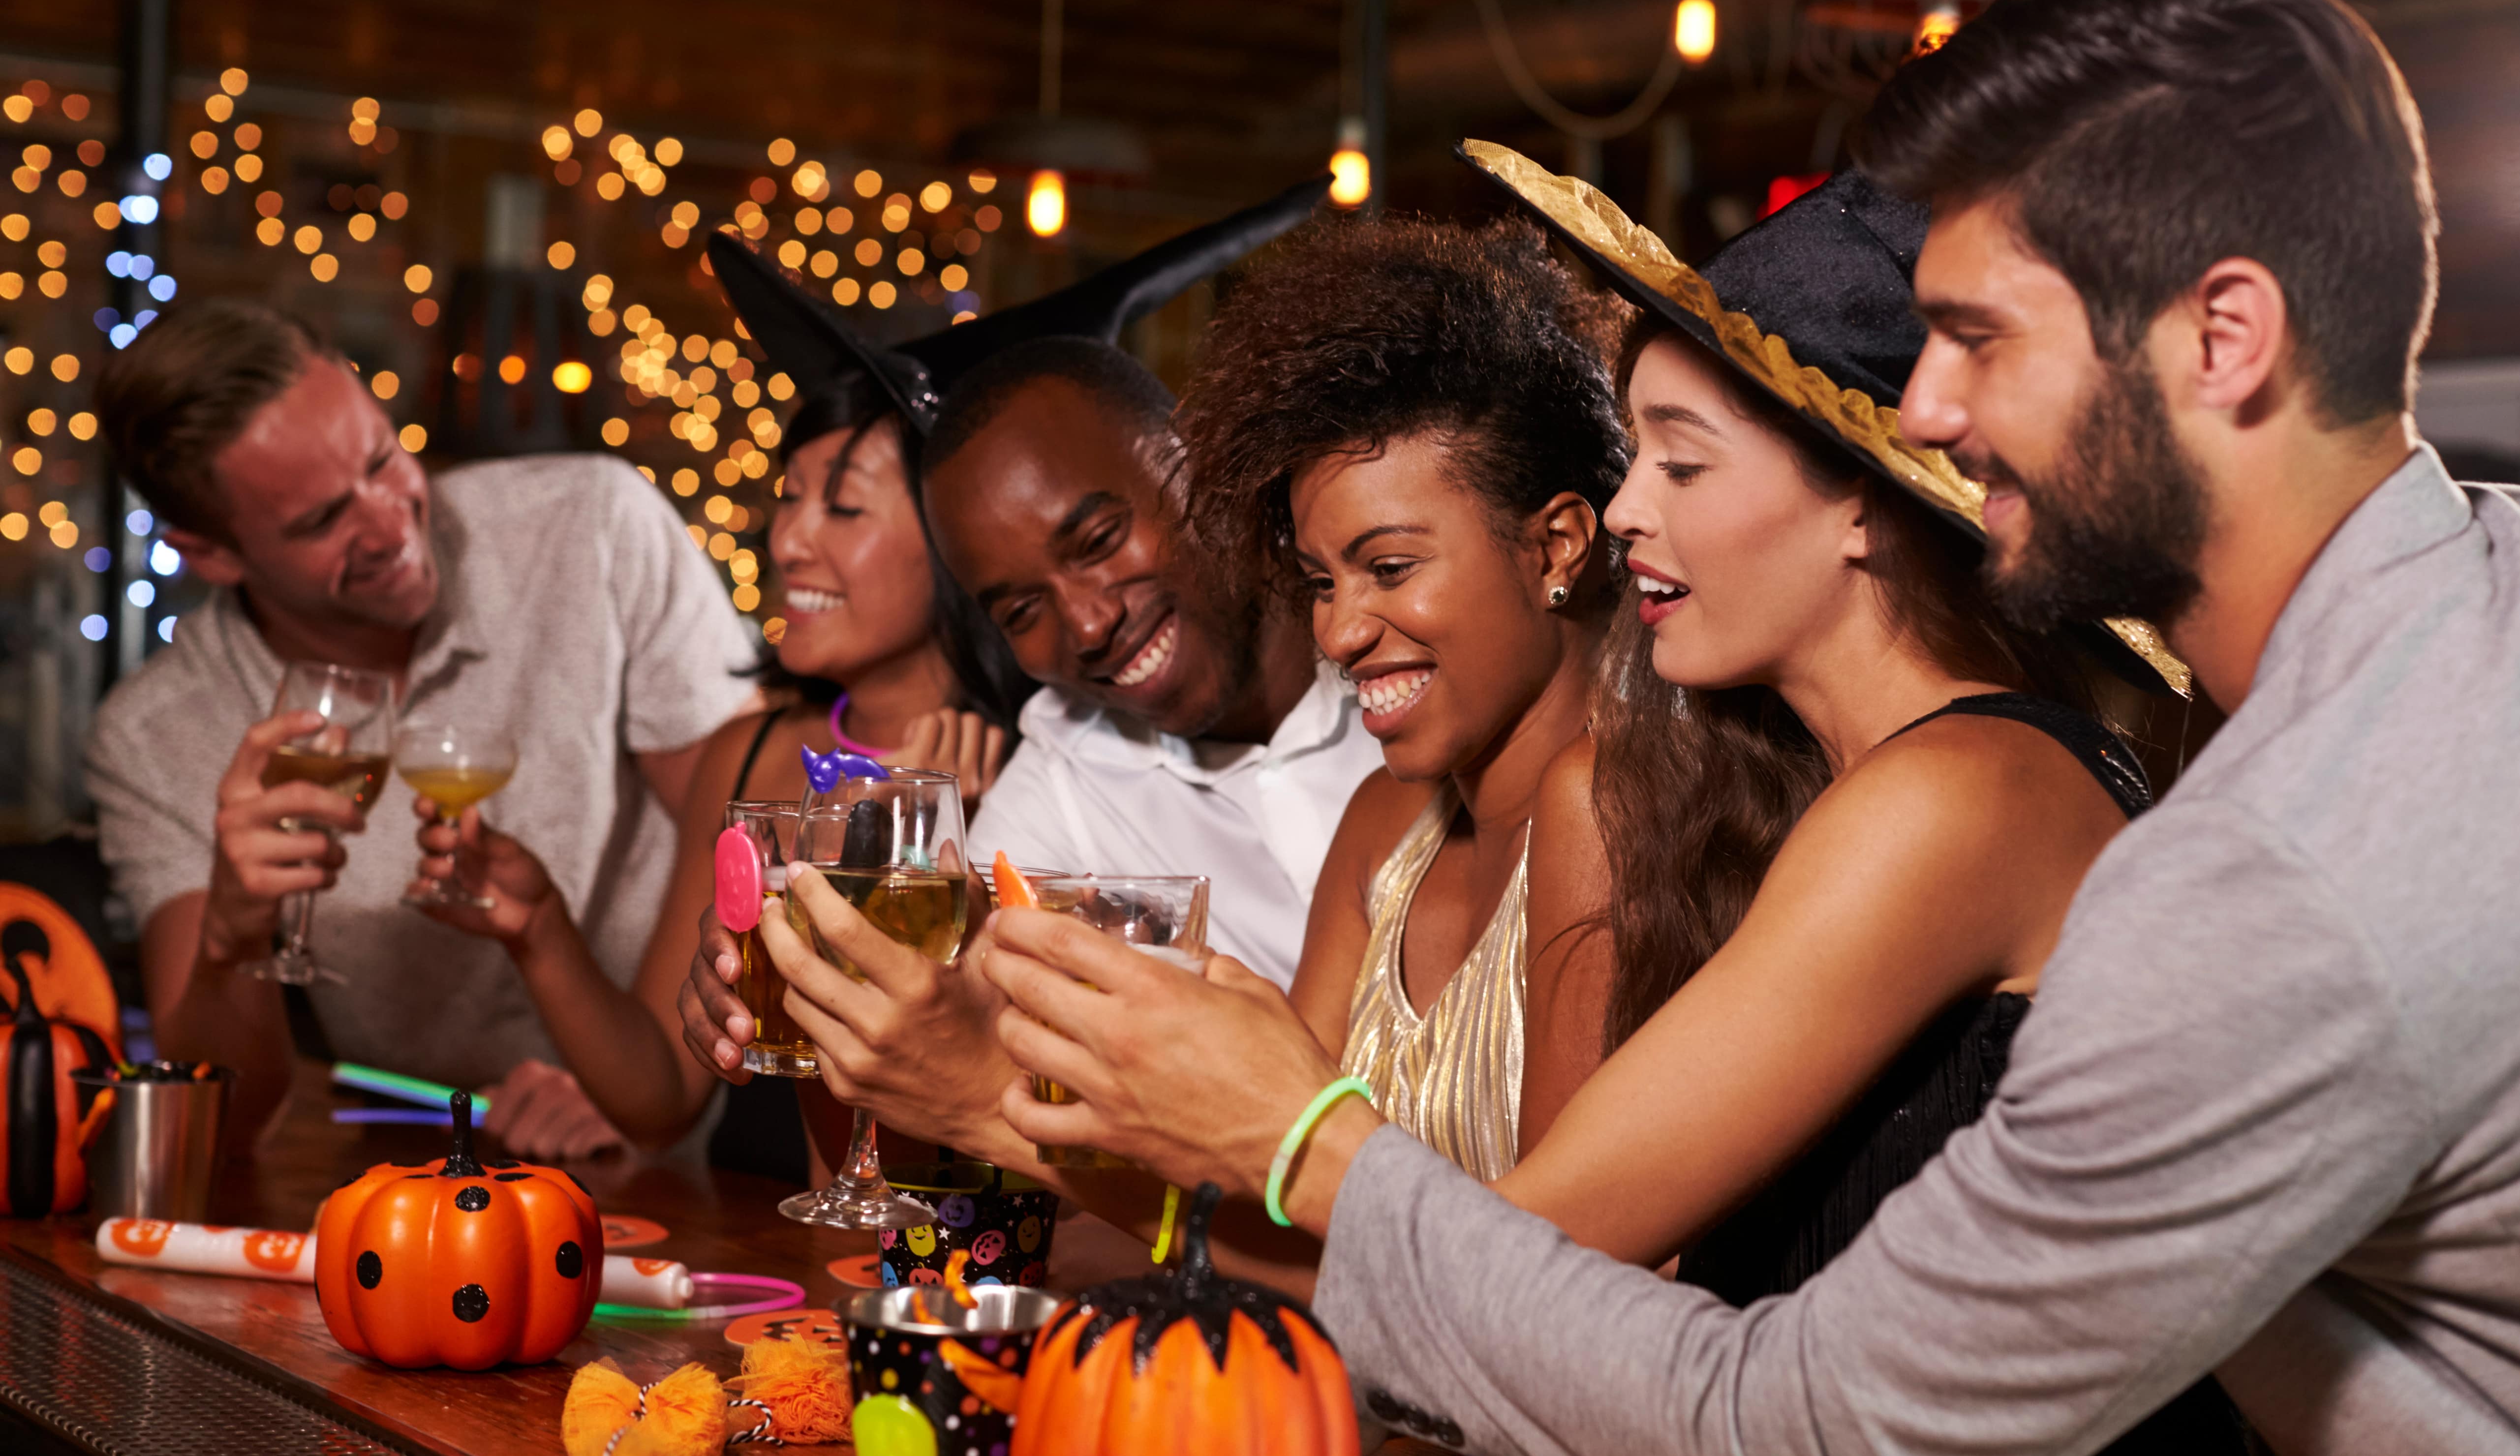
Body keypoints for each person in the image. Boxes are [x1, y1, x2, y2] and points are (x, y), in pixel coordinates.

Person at [976, 0, 2520, 1456]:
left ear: (2223, 337)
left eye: (1978, 340)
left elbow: (1807, 1436)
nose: (1920, 413)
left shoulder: (2254, 880)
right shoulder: (2497, 586)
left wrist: (1286, 1132)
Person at [676, 182, 1389, 1092]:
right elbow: (921, 1122)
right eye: (1020, 610)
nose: (1088, 623)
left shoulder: (1403, 662)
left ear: (1198, 462)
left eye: (1097, 542)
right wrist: (820, 988)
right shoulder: (1062, 778)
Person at [84, 301, 759, 1154]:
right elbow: (224, 1123)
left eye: (382, 458)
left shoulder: (592, 525)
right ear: (212, 556)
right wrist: (228, 939)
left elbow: (740, 829)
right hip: (415, 1171)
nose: (391, 523)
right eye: (321, 521)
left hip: (693, 1155)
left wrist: (649, 1071)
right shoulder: (157, 733)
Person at [401, 360, 1033, 1165]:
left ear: (956, 537)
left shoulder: (1039, 774)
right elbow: (661, 1095)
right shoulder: (753, 756)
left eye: (842, 508)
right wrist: (539, 931)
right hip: (761, 1256)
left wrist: (947, 875)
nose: (790, 541)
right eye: (791, 498)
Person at [1168, 213, 1629, 1177]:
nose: (1336, 632)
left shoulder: (1619, 818)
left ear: (1556, 546)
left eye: (1387, 566)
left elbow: (1549, 1282)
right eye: (1322, 580)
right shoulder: (1385, 831)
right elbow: (1269, 1189)